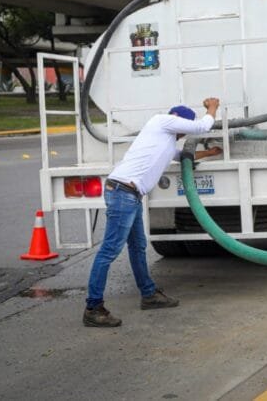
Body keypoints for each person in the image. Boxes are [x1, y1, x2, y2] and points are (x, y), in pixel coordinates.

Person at [84, 99, 221, 327]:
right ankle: (93, 307)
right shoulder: (161, 121)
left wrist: (210, 153)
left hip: (131, 195)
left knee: (138, 247)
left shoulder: (166, 142)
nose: (183, 134)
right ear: (178, 121)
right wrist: (212, 107)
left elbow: (183, 157)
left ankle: (149, 295)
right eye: (183, 128)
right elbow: (202, 127)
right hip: (122, 193)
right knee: (109, 251)